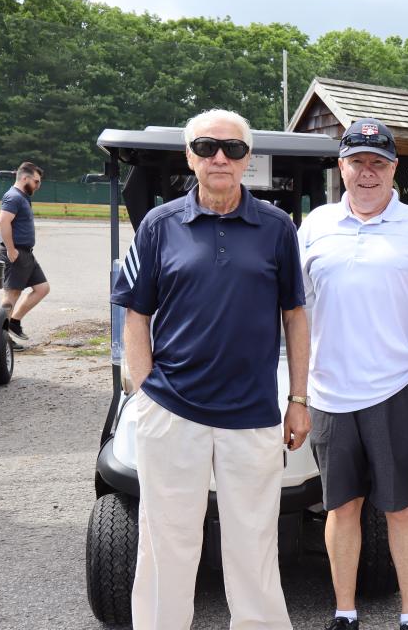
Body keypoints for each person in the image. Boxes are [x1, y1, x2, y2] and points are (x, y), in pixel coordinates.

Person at [111, 109, 308, 630]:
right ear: (189, 157)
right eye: (207, 147)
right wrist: (145, 388)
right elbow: (135, 313)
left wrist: (299, 399)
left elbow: (295, 316)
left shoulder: (277, 227)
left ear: (247, 160)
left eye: (234, 149)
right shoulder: (158, 225)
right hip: (173, 409)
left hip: (252, 413)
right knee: (167, 544)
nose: (220, 157)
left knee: (255, 545)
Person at [298, 117, 408, 630]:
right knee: (341, 507)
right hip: (328, 389)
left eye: (378, 162)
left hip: (398, 386)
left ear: (395, 168)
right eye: (357, 162)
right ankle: (344, 612)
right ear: (341, 166)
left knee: (400, 506)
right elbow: (295, 311)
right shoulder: (314, 225)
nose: (367, 172)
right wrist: (296, 392)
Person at [0, 162, 50, 344]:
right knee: (11, 295)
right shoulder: (13, 197)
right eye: (36, 181)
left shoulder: (23, 196)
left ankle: (14, 322)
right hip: (15, 252)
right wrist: (11, 249)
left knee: (42, 288)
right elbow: (3, 223)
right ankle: (2, 340)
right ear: (25, 178)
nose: (38, 185)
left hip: (26, 253)